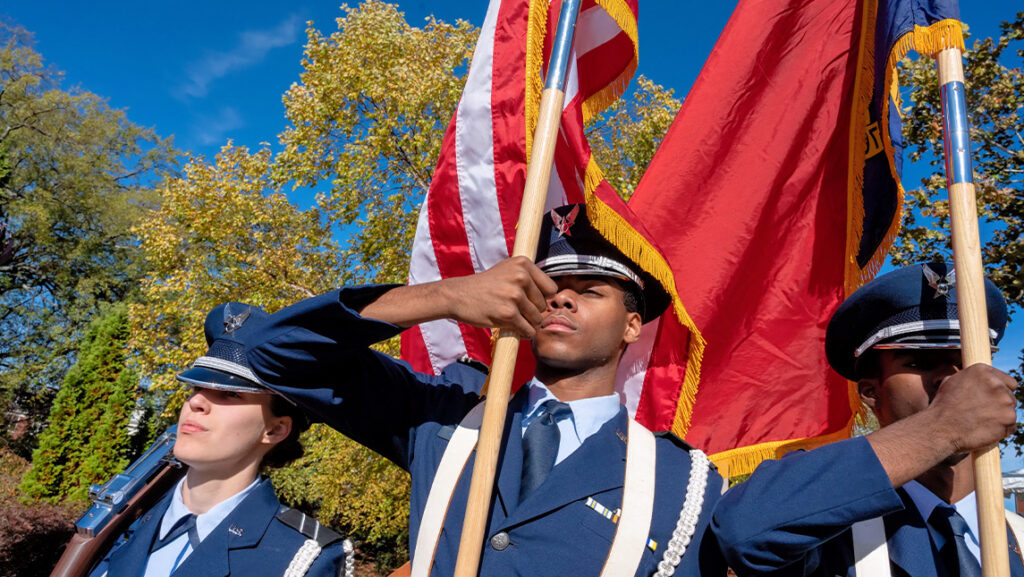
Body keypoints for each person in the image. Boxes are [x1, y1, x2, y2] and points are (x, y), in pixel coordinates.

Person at [240, 204, 726, 577]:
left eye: (590, 290)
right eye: (548, 286)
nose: (559, 296)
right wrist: (446, 296)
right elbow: (270, 352)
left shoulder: (679, 481)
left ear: (631, 326)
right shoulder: (448, 419)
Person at [711, 262, 1022, 577]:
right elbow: (741, 529)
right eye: (921, 362)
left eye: (965, 363)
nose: (951, 380)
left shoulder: (1018, 536)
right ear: (872, 393)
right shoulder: (832, 533)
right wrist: (942, 427)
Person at [90, 303, 351, 577]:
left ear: (274, 430)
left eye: (231, 394)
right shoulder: (118, 521)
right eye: (196, 388)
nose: (197, 401)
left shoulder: (302, 557)